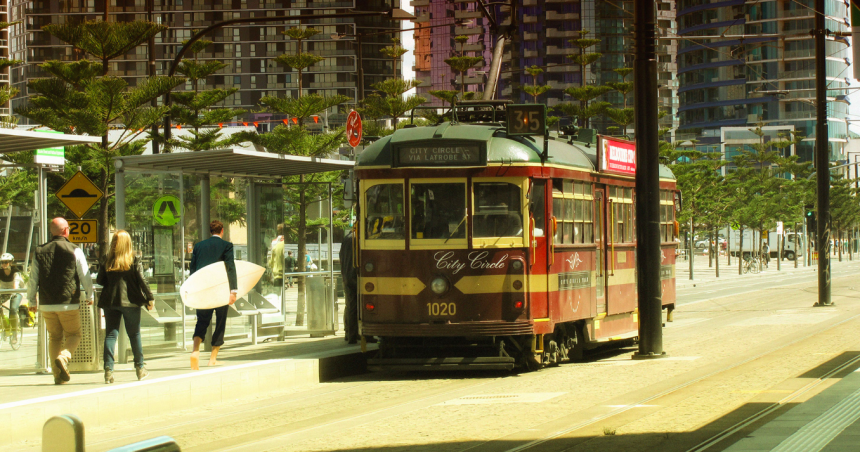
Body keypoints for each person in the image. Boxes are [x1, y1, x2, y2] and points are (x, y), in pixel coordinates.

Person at [27, 217, 94, 385]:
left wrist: (31, 300)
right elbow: (84, 274)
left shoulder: (39, 251)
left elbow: (33, 278)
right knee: (74, 334)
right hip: (68, 301)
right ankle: (64, 357)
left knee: (54, 337)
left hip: (46, 302)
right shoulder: (74, 249)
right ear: (65, 231)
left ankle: (58, 376)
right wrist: (90, 294)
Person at [96, 230, 155, 384]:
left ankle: (108, 370)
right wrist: (149, 297)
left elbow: (100, 280)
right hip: (131, 302)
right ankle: (140, 368)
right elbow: (142, 280)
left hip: (110, 301)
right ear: (128, 243)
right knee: (134, 334)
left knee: (110, 334)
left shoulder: (106, 259)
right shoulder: (134, 259)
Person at [189, 220, 237, 370]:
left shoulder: (198, 246)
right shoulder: (227, 246)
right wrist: (233, 291)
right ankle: (212, 359)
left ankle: (195, 351)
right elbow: (230, 268)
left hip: (203, 289)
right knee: (220, 322)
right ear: (221, 231)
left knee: (202, 321)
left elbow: (193, 270)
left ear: (210, 231)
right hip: (221, 289)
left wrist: (194, 289)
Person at [0, 253, 24, 344]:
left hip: (17, 291)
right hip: (4, 292)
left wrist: (13, 292)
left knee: (13, 309)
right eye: (2, 262)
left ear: (11, 263)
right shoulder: (0, 272)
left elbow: (15, 285)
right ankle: (5, 327)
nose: (4, 264)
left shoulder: (15, 272)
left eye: (6, 262)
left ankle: (14, 334)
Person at [339, 229, 358, 344]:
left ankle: (348, 332)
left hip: (346, 275)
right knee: (353, 307)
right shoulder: (356, 239)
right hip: (353, 276)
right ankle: (352, 335)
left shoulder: (347, 238)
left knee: (349, 305)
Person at [269, 226, 284, 291]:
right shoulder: (283, 245)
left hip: (277, 275)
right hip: (284, 275)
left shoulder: (275, 245)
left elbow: (271, 262)